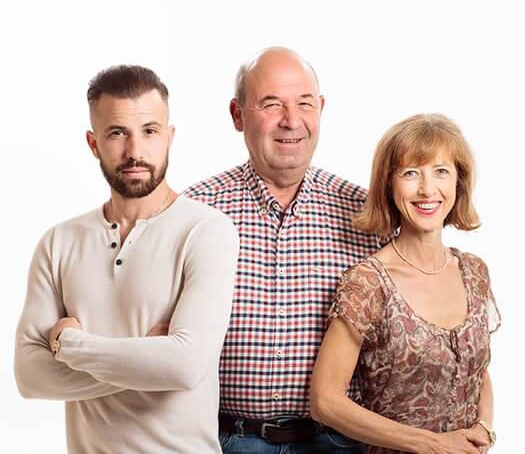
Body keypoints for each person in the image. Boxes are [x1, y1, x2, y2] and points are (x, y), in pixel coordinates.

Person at [14, 65, 239, 454]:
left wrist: (70, 344)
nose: (135, 151)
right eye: (117, 133)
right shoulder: (59, 242)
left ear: (169, 138)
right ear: (93, 143)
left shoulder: (207, 231)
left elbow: (184, 367)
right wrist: (146, 359)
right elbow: (29, 377)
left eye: (150, 131)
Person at [184, 47, 381, 453]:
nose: (291, 121)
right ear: (238, 115)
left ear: (321, 109)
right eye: (271, 104)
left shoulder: (368, 217)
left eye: (304, 104)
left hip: (339, 445)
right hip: (226, 441)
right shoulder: (193, 213)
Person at [310, 113, 500, 454]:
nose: (428, 189)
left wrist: (485, 427)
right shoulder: (368, 283)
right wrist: (432, 445)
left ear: (459, 182)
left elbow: (477, 370)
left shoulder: (474, 272)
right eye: (411, 173)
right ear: (388, 184)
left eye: (441, 171)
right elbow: (325, 401)